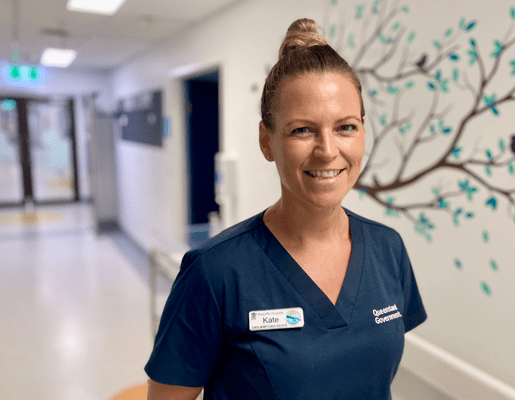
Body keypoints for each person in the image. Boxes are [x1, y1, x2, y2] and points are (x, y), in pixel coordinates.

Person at [145, 18, 427, 400]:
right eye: (302, 130)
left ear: (363, 130)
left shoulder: (387, 248)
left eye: (345, 127)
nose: (328, 151)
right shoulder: (214, 273)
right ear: (267, 141)